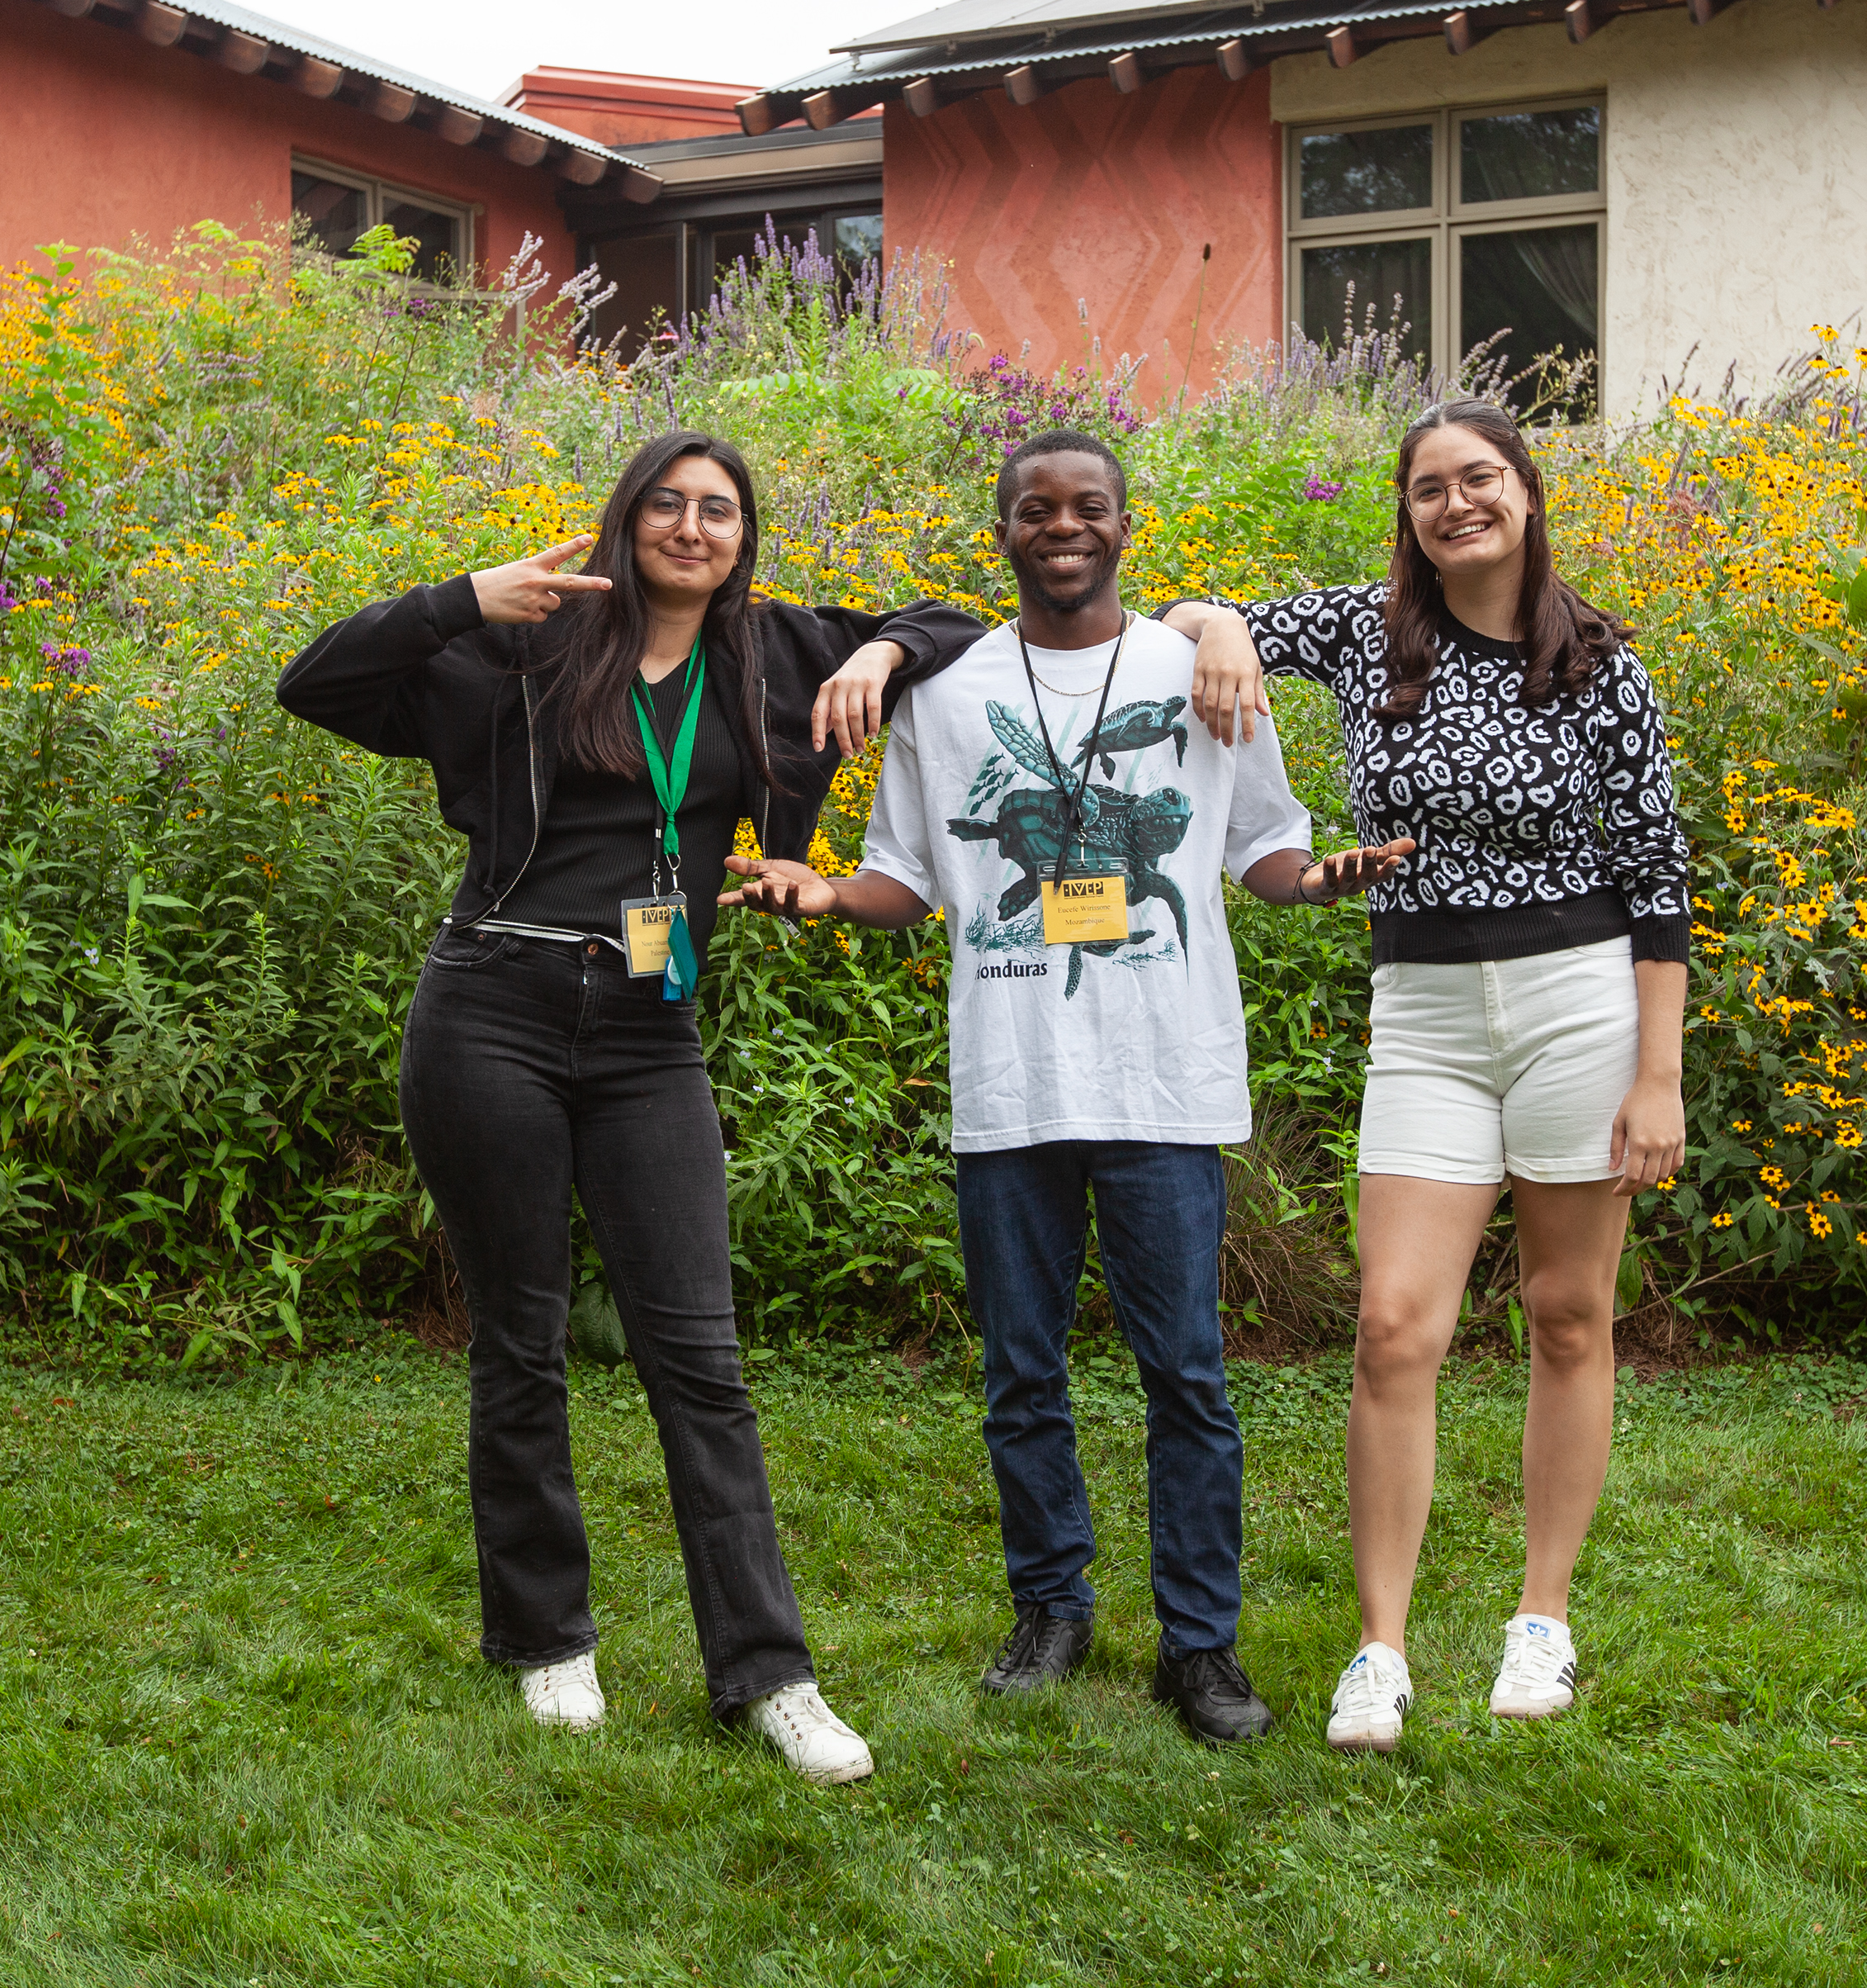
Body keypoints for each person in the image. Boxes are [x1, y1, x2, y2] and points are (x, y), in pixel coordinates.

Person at [277, 429, 983, 1785]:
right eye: (667, 503)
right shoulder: (530, 644)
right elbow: (316, 681)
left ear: (744, 534)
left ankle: (768, 1675)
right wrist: (459, 598)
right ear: (625, 520)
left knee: (699, 1358)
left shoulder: (776, 651)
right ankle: (546, 1643)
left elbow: (955, 620)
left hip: (650, 1033)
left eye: (720, 509)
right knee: (522, 1340)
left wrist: (881, 653)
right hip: (493, 1008)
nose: (693, 527)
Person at [723, 428, 1410, 1746]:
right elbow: (909, 880)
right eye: (1036, 509)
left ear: (1123, 525)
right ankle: (1051, 1608)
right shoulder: (949, 688)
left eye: (1088, 506)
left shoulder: (1203, 669)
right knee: (1019, 1373)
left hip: (1166, 1087)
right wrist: (821, 896)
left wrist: (1331, 880)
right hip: (1014, 1084)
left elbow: (1266, 848)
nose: (1063, 526)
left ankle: (1199, 1648)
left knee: (1188, 1377)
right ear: (1005, 532)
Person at [1160, 397, 1691, 1755]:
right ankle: (1380, 1648)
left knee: (1571, 1316)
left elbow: (1658, 878)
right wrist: (1217, 625)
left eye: (1481, 477)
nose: (1456, 502)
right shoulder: (1363, 629)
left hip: (1581, 1002)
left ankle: (1542, 1621)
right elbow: (1182, 619)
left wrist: (1659, 1077)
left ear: (1525, 492)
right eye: (1429, 487)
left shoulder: (1600, 664)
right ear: (1406, 513)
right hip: (1430, 1008)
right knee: (1397, 1326)